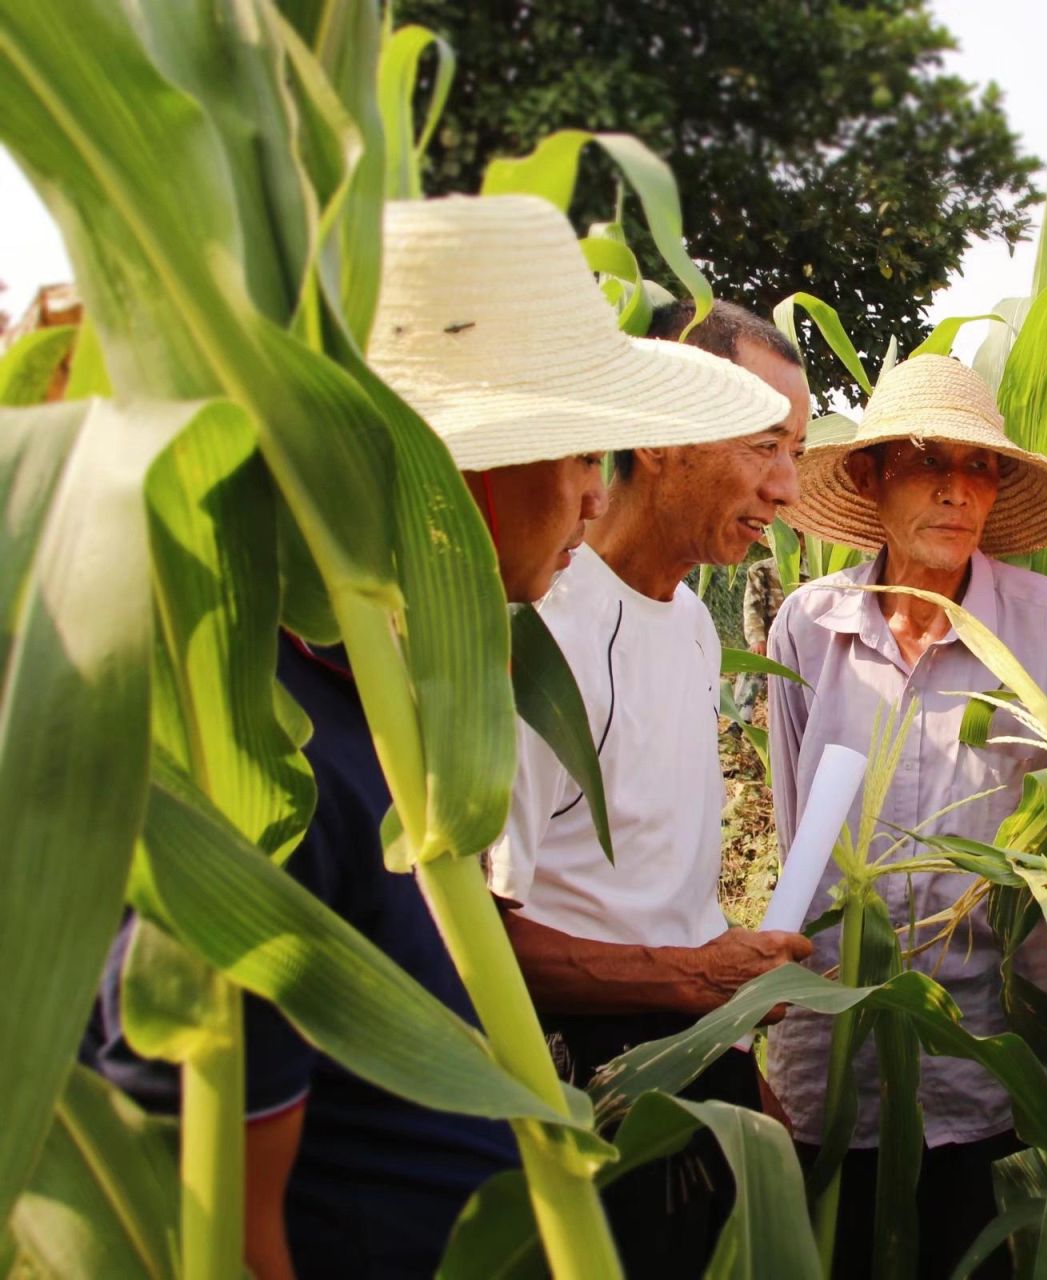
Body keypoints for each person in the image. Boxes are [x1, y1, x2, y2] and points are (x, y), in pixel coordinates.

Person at [86, 194, 790, 1279]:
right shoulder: (271, 760)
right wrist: (681, 977)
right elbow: (215, 1211)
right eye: (572, 454)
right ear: (447, 477)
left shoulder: (397, 709)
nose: (588, 495)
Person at [485, 298, 813, 1267]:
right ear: (664, 435)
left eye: (794, 451)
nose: (786, 486)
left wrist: (729, 1036)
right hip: (577, 1075)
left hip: (685, 1042)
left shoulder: (691, 623)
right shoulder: (541, 627)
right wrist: (690, 979)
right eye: (765, 445)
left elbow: (662, 877)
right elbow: (474, 928)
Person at [766, 354, 1047, 1278]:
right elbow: (797, 833)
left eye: (979, 467)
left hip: (982, 1054)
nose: (956, 491)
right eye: (925, 462)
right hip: (831, 1050)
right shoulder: (808, 624)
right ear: (870, 479)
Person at [736, 553, 788, 714]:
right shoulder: (761, 570)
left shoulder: (815, 569)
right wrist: (757, 639)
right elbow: (752, 606)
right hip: (770, 640)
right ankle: (737, 725)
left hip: (803, 643)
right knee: (753, 664)